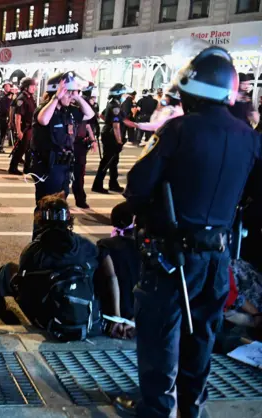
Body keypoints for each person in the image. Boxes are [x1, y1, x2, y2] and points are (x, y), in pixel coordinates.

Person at [121, 46, 262, 418]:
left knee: (160, 337)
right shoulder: (249, 136)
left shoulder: (178, 129)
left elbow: (137, 186)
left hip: (172, 256)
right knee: (201, 336)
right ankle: (191, 408)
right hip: (217, 257)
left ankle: (156, 409)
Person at [0, 193, 101, 341]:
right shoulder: (85, 246)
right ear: (68, 218)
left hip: (46, 318)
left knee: (9, 269)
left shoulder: (34, 249)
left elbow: (23, 282)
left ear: (40, 219)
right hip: (86, 315)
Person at [30, 72, 94, 220]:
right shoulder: (45, 109)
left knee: (60, 207)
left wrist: (77, 96)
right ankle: (40, 240)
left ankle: (55, 238)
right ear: (57, 92)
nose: (71, 96)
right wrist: (56, 97)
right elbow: (44, 120)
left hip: (64, 167)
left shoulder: (69, 111)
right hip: (48, 168)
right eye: (68, 93)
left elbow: (89, 114)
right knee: (45, 208)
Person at [94, 202, 140, 339]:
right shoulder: (144, 246)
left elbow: (111, 278)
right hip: (138, 309)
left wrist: (117, 318)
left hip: (114, 308)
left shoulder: (105, 244)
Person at [91, 83, 131, 194]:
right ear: (119, 94)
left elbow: (102, 115)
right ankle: (97, 185)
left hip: (109, 135)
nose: (125, 95)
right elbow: (116, 125)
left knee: (114, 161)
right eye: (124, 93)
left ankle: (113, 183)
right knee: (107, 161)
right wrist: (119, 141)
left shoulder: (113, 104)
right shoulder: (115, 107)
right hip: (111, 138)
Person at [72, 84, 98, 209]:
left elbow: (88, 123)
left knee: (79, 174)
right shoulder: (63, 107)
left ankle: (80, 199)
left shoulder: (81, 105)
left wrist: (93, 140)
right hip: (66, 143)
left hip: (79, 144)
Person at [9, 77, 37, 175]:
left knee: (29, 149)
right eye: (32, 86)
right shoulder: (21, 98)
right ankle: (13, 167)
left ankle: (27, 168)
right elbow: (18, 116)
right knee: (21, 148)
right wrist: (18, 130)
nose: (34, 88)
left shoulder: (30, 98)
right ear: (25, 87)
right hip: (24, 128)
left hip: (30, 128)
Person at [0, 81, 14, 153]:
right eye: (6, 86)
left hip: (7, 116)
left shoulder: (12, 95)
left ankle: (0, 147)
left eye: (8, 86)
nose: (7, 87)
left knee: (3, 132)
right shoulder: (0, 94)